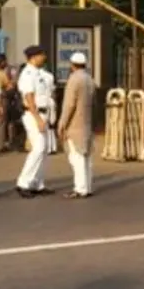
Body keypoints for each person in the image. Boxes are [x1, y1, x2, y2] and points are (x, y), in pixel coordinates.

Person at [15, 45, 56, 198]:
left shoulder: (40, 73)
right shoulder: (27, 74)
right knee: (38, 148)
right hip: (33, 114)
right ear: (34, 57)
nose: (44, 57)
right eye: (41, 55)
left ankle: (37, 183)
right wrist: (38, 118)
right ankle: (23, 182)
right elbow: (29, 98)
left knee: (44, 150)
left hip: (44, 113)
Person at [58, 52, 97, 199]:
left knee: (76, 158)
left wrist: (62, 123)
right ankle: (87, 186)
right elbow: (95, 103)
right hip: (87, 123)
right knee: (87, 157)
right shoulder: (90, 79)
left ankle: (80, 188)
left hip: (75, 124)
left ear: (72, 64)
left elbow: (69, 104)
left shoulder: (74, 80)